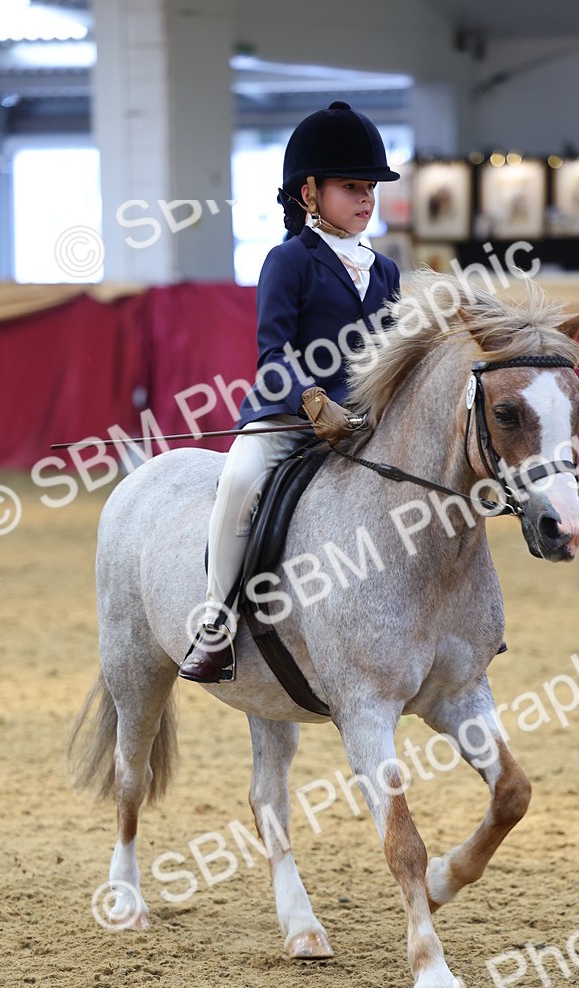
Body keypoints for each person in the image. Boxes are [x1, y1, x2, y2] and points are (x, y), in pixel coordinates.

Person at [179, 100, 401, 684]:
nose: (366, 199)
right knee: (238, 484)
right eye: (351, 187)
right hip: (290, 417)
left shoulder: (386, 272)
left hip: (363, 422)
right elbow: (271, 356)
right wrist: (313, 401)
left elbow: (397, 352)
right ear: (309, 193)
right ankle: (216, 623)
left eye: (370, 188)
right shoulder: (288, 262)